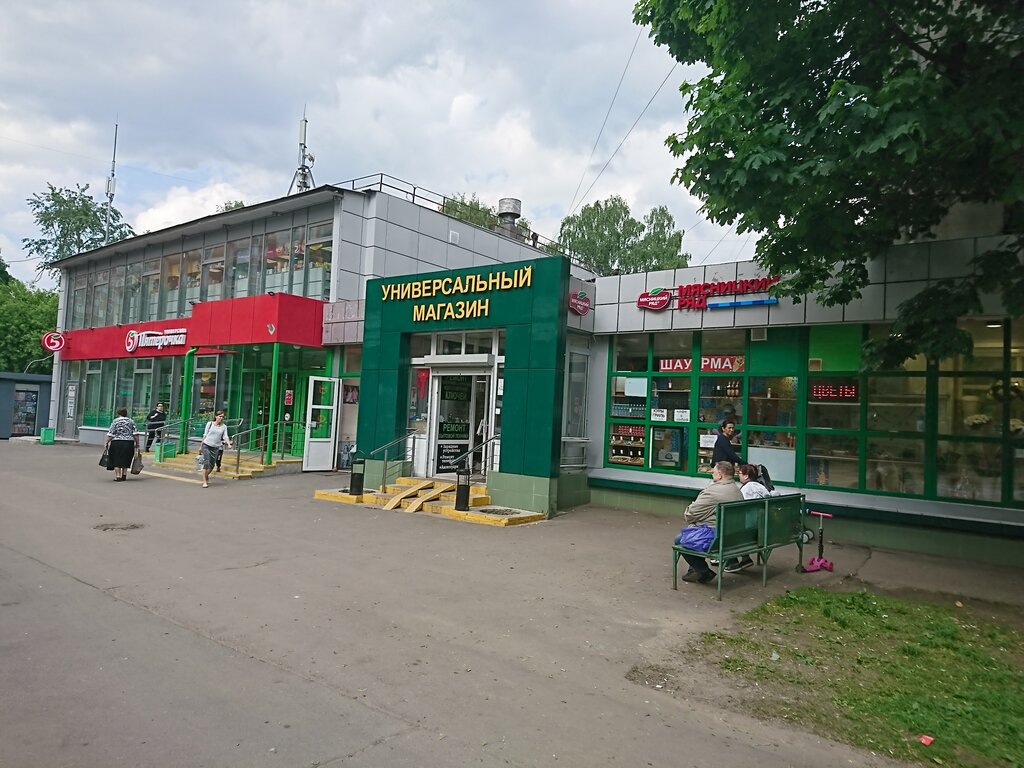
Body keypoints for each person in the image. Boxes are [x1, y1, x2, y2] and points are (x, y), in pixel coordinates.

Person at [679, 461, 743, 583]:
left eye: (713, 473)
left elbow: (690, 514)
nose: (712, 475)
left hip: (717, 537)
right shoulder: (736, 490)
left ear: (719, 475)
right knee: (693, 533)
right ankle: (695, 570)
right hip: (734, 536)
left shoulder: (713, 492)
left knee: (681, 539)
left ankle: (702, 571)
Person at [722, 463, 781, 573]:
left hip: (750, 532)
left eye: (740, 473)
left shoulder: (746, 488)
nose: (738, 475)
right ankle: (745, 559)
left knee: (729, 529)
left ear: (746, 476)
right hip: (763, 529)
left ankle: (732, 562)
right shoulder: (761, 487)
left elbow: (739, 507)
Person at [104, 407, 140, 482]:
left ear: (118, 413)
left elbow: (111, 433)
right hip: (129, 442)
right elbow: (135, 433)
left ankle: (118, 476)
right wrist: (137, 443)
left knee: (116, 458)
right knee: (126, 458)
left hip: (117, 442)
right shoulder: (131, 421)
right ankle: (124, 475)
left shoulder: (115, 421)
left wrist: (106, 442)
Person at [199, 411, 233, 488]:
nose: (221, 418)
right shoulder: (210, 424)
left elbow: (225, 436)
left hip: (216, 447)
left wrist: (228, 444)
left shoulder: (224, 426)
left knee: (212, 465)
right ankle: (204, 481)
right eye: (220, 416)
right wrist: (201, 446)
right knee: (206, 463)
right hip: (207, 445)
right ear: (216, 416)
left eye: (222, 417)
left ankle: (206, 475)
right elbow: (205, 435)